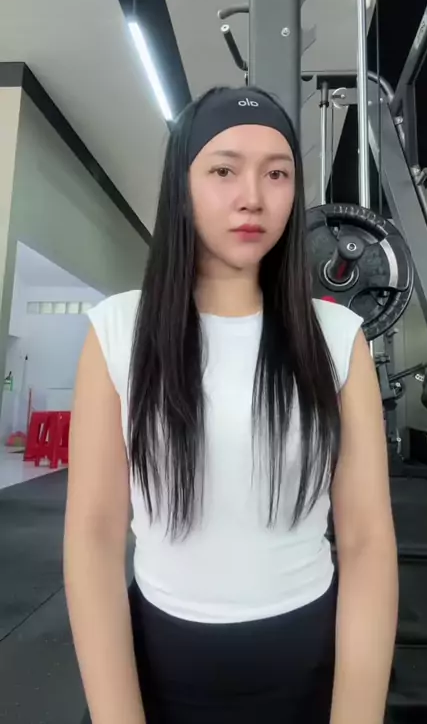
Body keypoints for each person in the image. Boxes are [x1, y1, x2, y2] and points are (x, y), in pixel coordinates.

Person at [64, 86, 398, 724]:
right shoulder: (118, 330)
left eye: (277, 174)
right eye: (224, 171)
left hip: (307, 667)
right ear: (181, 187)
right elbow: (94, 537)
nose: (253, 197)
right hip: (162, 668)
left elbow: (365, 542)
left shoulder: (337, 338)